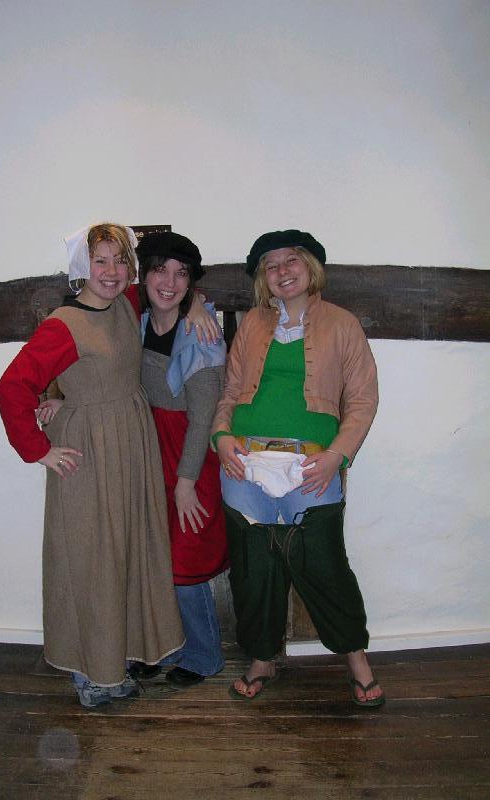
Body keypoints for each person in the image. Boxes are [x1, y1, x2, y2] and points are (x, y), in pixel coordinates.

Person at [0, 222, 200, 710]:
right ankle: (90, 672)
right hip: (89, 456)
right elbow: (11, 388)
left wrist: (199, 307)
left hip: (130, 447)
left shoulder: (125, 304)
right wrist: (38, 449)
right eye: (99, 261)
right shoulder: (64, 325)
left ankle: (117, 656)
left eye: (119, 260)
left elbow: (169, 292)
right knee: (91, 560)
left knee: (126, 553)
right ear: (80, 268)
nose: (111, 271)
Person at [212, 229, 385, 707]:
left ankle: (357, 661)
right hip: (245, 462)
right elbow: (230, 393)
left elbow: (363, 400)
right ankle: (262, 659)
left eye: (291, 260)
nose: (282, 271)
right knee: (253, 570)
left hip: (311, 465)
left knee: (325, 565)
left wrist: (337, 456)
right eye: (271, 266)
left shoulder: (343, 324)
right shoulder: (252, 324)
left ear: (310, 267)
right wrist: (221, 437)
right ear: (263, 279)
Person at [132, 231, 229, 688]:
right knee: (154, 557)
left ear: (191, 283)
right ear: (144, 275)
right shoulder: (136, 323)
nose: (169, 282)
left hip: (190, 456)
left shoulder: (200, 334)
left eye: (181, 274)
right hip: (150, 451)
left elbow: (204, 415)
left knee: (186, 564)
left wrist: (186, 481)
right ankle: (162, 648)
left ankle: (205, 655)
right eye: (160, 270)